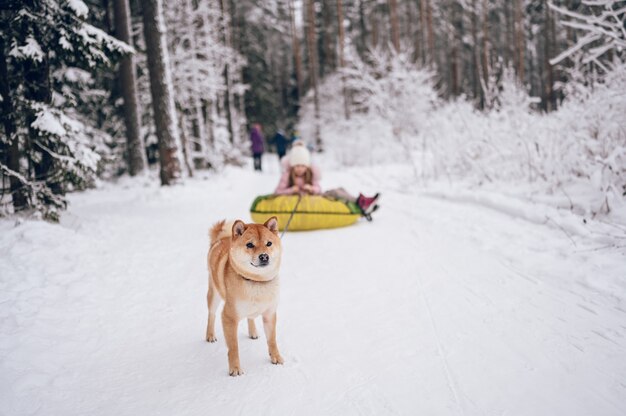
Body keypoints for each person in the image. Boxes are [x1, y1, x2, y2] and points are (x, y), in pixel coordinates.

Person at [274, 142, 380, 220]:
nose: (300, 168)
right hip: (303, 201)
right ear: (292, 166)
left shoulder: (310, 174)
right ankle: (361, 204)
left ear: (307, 166)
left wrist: (311, 188)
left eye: (302, 166)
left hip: (315, 196)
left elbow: (318, 188)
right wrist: (292, 189)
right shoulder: (287, 176)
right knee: (336, 194)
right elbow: (278, 191)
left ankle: (361, 201)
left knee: (339, 190)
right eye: (297, 166)